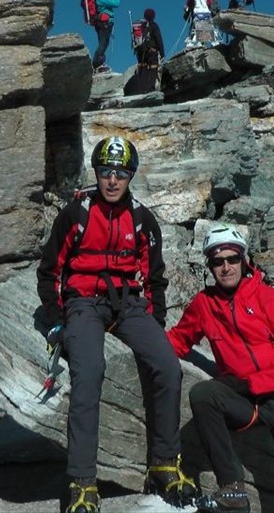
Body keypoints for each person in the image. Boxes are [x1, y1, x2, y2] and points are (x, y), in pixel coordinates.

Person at [36, 136, 197, 513]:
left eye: (121, 173)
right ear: (96, 173)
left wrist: (155, 325)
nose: (112, 180)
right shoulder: (76, 213)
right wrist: (58, 320)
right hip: (83, 304)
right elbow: (49, 271)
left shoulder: (142, 218)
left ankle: (163, 463)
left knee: (168, 367)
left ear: (130, 176)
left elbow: (154, 278)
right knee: (89, 370)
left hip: (127, 305)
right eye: (106, 171)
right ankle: (82, 482)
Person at [167, 225, 274, 513]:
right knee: (204, 394)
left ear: (244, 260)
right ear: (210, 266)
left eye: (232, 259)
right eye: (217, 262)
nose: (225, 267)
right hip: (244, 404)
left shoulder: (272, 300)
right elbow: (178, 340)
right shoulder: (205, 305)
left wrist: (251, 384)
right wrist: (132, 335)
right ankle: (232, 491)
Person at [124, 8, 165, 96]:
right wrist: (162, 54)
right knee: (152, 69)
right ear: (153, 16)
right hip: (151, 51)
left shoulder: (140, 26)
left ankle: (141, 90)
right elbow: (159, 40)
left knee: (142, 69)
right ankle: (150, 89)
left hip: (140, 51)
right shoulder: (154, 25)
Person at [92, 0, 121, 73]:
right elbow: (116, 3)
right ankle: (96, 63)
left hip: (100, 23)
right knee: (103, 43)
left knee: (103, 43)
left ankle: (99, 63)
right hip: (105, 24)